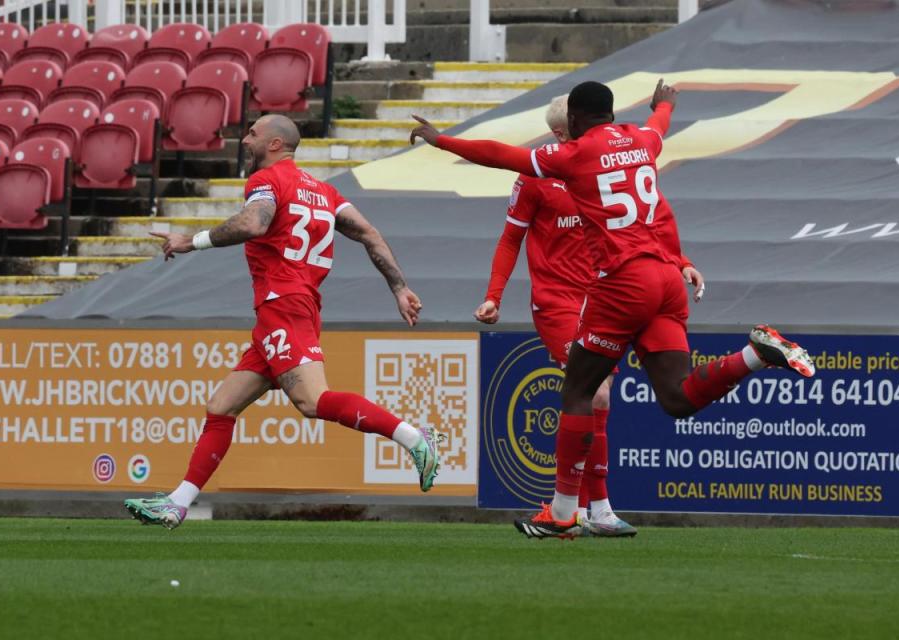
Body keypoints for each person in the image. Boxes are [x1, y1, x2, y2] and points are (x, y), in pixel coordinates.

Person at [411, 79, 815, 539]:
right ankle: (755, 355)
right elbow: (659, 126)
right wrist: (663, 103)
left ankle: (563, 514)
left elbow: (503, 154)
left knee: (578, 391)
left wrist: (441, 140)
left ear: (577, 120)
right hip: (665, 280)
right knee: (677, 398)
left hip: (623, 283)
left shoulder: (573, 154)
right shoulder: (641, 141)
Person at [125, 115, 442, 530]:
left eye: (253, 133)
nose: (245, 139)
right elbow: (369, 233)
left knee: (312, 402)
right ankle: (177, 503)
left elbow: (253, 223)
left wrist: (192, 240)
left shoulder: (267, 180)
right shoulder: (325, 192)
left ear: (276, 143)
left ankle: (413, 438)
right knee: (221, 406)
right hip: (292, 305)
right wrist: (399, 287)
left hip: (283, 303)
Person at [475, 92, 705, 538]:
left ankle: (590, 509)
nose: (557, 138)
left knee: (602, 399)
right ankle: (585, 509)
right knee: (595, 395)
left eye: (560, 132)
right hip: (558, 300)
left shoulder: (603, 168)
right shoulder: (536, 178)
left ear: (571, 129)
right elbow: (510, 239)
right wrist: (493, 296)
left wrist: (680, 262)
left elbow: (647, 226)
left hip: (607, 294)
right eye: (555, 133)